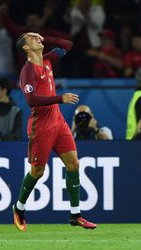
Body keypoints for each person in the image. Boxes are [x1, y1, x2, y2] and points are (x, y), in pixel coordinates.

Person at [12, 32, 97, 232]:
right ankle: (19, 208)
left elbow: (67, 45)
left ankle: (75, 215)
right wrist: (61, 98)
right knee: (37, 172)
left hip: (58, 122)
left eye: (37, 37)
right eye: (32, 39)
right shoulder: (28, 71)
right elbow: (32, 100)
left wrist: (45, 37)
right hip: (40, 125)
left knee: (73, 164)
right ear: (26, 48)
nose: (37, 40)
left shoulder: (48, 59)